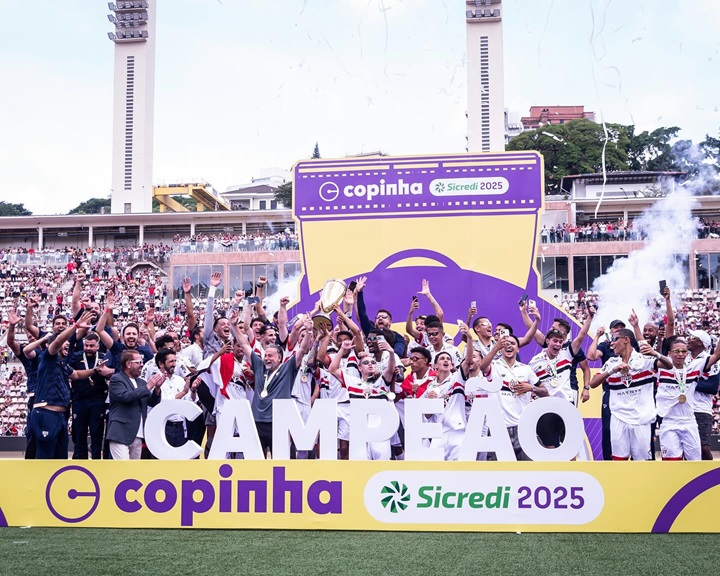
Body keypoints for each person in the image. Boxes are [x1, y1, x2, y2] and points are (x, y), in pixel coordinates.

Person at [233, 316, 315, 457]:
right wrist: (234, 326)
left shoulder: (288, 368)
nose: (266, 358)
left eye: (270, 356)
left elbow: (301, 351)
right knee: (255, 459)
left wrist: (308, 332)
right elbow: (244, 344)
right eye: (265, 356)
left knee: (280, 461)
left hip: (278, 422)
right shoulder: (259, 366)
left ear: (279, 358)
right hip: (257, 421)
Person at [29, 311, 94, 459]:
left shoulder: (62, 364)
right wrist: (75, 326)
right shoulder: (48, 357)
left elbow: (77, 375)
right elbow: (58, 341)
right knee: (46, 458)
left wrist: (95, 370)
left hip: (60, 416)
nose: (67, 345)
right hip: (46, 413)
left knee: (60, 458)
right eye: (65, 343)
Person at [589, 329, 659, 461]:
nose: (612, 344)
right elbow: (593, 383)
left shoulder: (644, 360)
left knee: (641, 462)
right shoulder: (611, 362)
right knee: (619, 461)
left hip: (641, 420)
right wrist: (612, 370)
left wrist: (656, 354)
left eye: (615, 339)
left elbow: (668, 365)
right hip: (618, 418)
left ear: (626, 340)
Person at [479, 334, 544, 461]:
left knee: (528, 471)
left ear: (518, 349)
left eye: (513, 343)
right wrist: (495, 348)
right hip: (498, 427)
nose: (509, 346)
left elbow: (544, 391)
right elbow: (482, 367)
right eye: (505, 344)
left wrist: (531, 388)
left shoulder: (526, 369)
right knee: (499, 472)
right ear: (501, 348)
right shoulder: (494, 366)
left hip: (522, 427)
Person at [106, 350, 163, 460]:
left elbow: (151, 402)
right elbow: (125, 397)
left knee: (133, 471)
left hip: (138, 433)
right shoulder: (116, 379)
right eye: (138, 362)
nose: (141, 365)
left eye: (142, 362)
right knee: (123, 468)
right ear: (128, 364)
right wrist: (148, 387)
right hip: (120, 432)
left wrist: (157, 389)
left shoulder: (141, 382)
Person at [66, 331, 114, 459]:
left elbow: (113, 373)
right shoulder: (76, 357)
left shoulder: (104, 357)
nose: (88, 348)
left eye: (92, 346)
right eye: (86, 345)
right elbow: (70, 373)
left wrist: (108, 371)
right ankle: (80, 462)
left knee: (96, 433)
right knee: (79, 433)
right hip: (79, 399)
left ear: (98, 346)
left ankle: (97, 461)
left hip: (97, 400)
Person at [686, 329, 720, 460]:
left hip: (701, 409)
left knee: (703, 447)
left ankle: (712, 478)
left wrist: (688, 382)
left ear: (700, 342)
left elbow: (712, 387)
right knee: (688, 448)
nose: (688, 339)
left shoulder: (711, 361)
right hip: (685, 408)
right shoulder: (684, 358)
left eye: (692, 337)